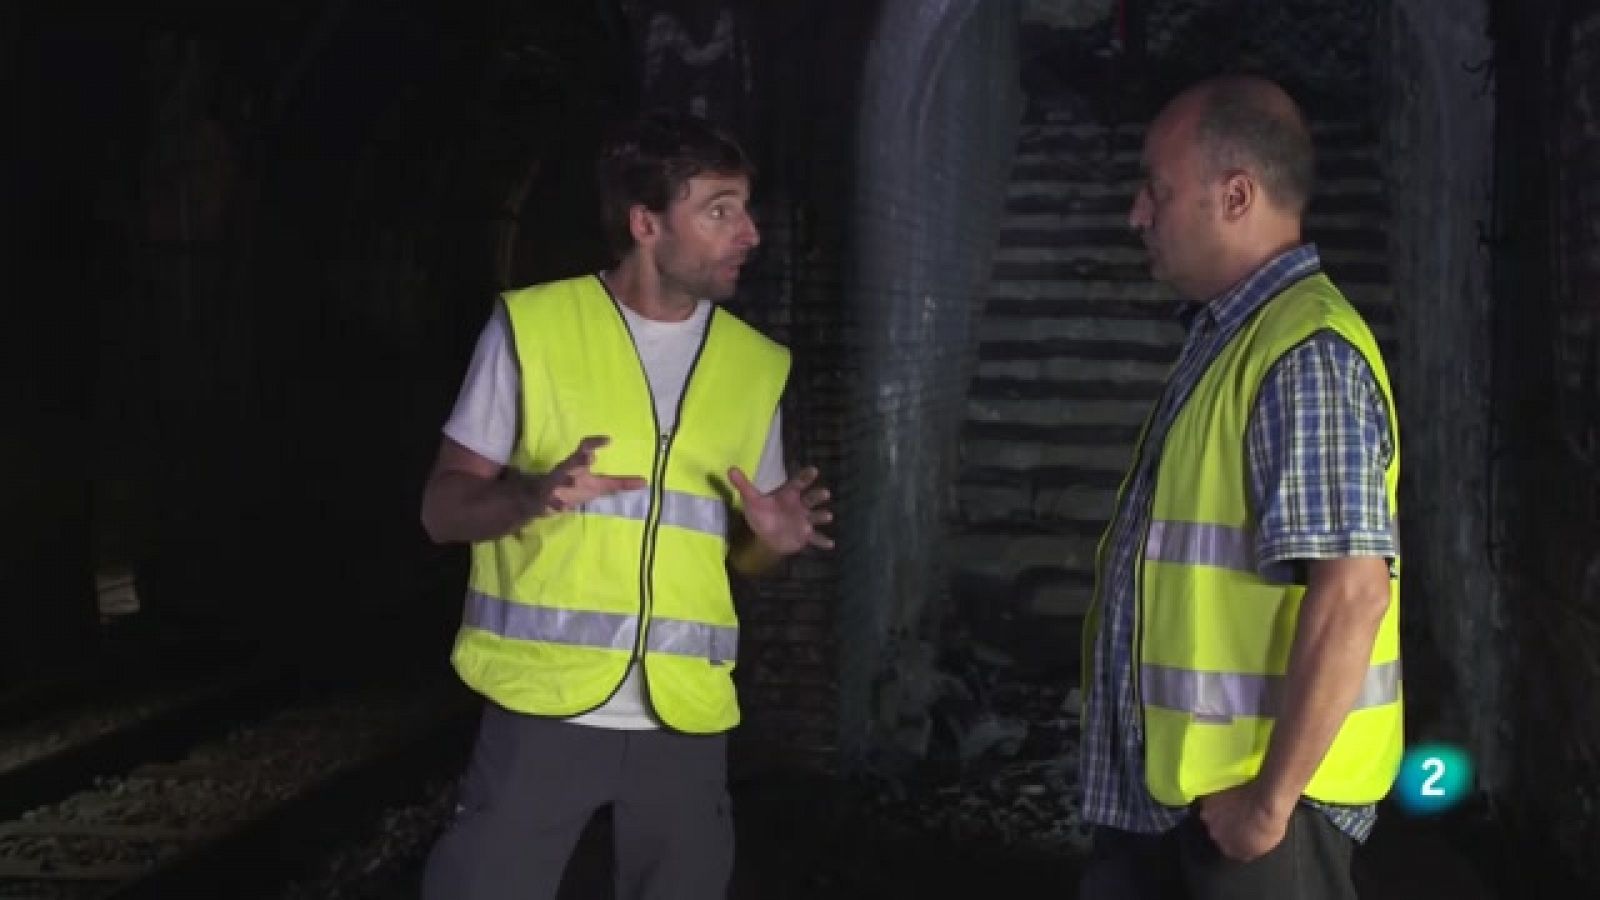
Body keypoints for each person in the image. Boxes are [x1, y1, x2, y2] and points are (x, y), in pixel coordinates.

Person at [418, 109, 833, 900]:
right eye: (720, 210)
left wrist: (771, 544)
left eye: (746, 209)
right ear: (646, 222)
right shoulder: (533, 329)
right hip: (543, 711)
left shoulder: (755, 368)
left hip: (685, 727)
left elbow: (738, 561)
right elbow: (441, 510)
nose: (749, 233)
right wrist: (526, 498)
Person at [1076, 74, 1403, 899]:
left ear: (1235, 195)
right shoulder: (1235, 340)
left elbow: (1353, 591)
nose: (1137, 213)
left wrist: (1268, 803)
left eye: (1156, 187)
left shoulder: (1305, 358)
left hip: (1253, 828)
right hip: (1184, 804)